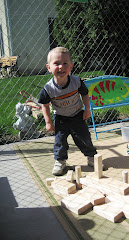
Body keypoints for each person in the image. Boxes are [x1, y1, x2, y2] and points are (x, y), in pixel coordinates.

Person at [38, 47, 97, 176]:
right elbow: (45, 105)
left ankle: (92, 157)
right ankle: (60, 161)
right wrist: (48, 122)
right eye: (57, 63)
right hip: (61, 118)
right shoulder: (48, 88)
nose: (61, 67)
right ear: (49, 67)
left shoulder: (76, 81)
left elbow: (85, 95)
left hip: (77, 116)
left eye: (65, 63)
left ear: (71, 66)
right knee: (60, 141)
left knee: (84, 138)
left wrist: (87, 110)